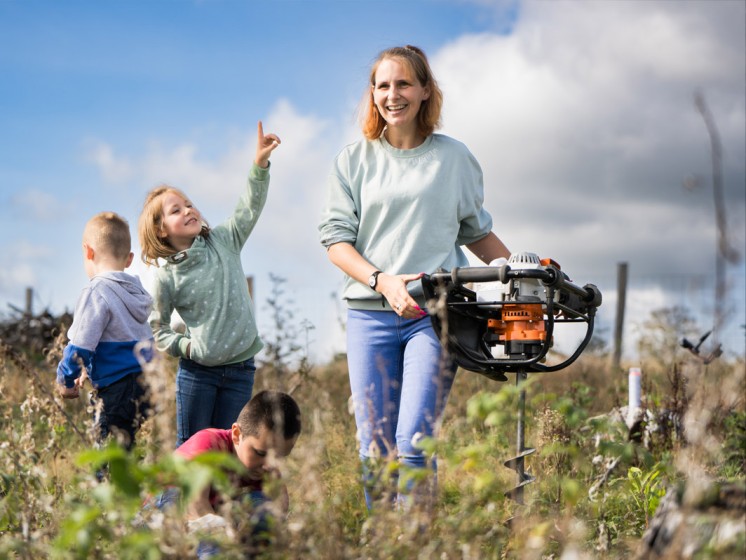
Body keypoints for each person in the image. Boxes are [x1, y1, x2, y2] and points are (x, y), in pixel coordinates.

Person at [318, 45, 511, 509]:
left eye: (403, 83)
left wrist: (525, 270)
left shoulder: (454, 159)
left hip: (436, 314)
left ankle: (417, 546)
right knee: (376, 445)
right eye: (383, 85)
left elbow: (477, 234)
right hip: (370, 316)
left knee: (413, 439)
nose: (392, 94)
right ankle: (385, 541)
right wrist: (383, 280)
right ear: (373, 94)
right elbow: (337, 243)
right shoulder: (353, 160)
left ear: (425, 91)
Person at [139, 121, 281, 447]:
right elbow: (158, 329)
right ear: (161, 230)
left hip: (241, 369)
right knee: (192, 450)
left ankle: (221, 501)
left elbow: (249, 207)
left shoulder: (224, 241)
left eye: (188, 203)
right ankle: (169, 501)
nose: (188, 209)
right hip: (198, 374)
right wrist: (187, 346)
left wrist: (259, 165)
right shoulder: (166, 277)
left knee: (229, 451)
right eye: (176, 210)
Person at [155, 390, 302, 558]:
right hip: (164, 511)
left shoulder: (265, 466)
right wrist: (224, 544)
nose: (269, 465)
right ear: (237, 434)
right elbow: (194, 507)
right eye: (260, 453)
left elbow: (279, 508)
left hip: (207, 520)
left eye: (279, 457)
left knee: (264, 512)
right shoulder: (209, 443)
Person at [56, 211, 154, 452]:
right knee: (129, 450)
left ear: (88, 252)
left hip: (115, 390)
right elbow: (121, 340)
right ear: (129, 259)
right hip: (147, 386)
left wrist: (66, 379)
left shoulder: (96, 291)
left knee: (107, 455)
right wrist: (90, 371)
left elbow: (80, 345)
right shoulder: (135, 292)